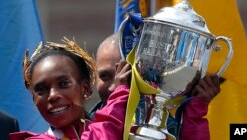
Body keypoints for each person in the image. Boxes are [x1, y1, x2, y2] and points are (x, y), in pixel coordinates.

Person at [91, 34, 220, 140]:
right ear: (94, 78)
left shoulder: (170, 130)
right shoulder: (81, 126)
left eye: (129, 75)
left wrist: (195, 112)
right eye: (105, 76)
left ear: (145, 75)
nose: (115, 86)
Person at [9, 37, 132, 140]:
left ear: (85, 88)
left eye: (63, 84)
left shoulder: (127, 131)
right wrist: (120, 95)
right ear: (34, 100)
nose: (52, 95)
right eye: (41, 89)